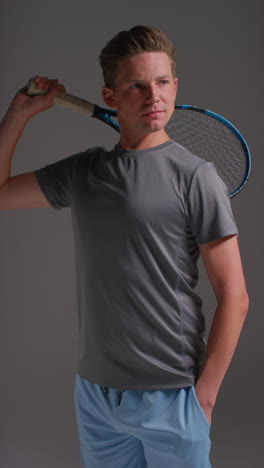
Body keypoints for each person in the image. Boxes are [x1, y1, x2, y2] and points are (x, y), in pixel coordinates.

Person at [0, 26, 248, 468]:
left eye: (162, 82)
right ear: (110, 97)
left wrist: (203, 399)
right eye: (136, 84)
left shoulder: (196, 177)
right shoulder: (84, 172)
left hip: (171, 395)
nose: (153, 95)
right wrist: (18, 113)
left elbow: (235, 295)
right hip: (96, 396)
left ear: (175, 87)